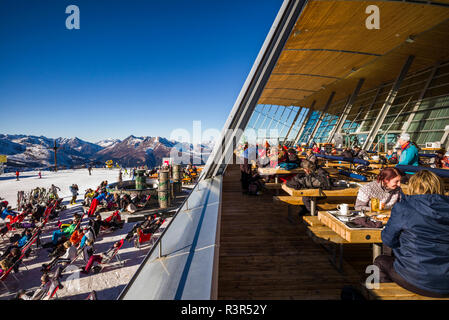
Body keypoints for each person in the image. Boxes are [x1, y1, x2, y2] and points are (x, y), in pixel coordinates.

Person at [373, 170, 449, 298]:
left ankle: (383, 295)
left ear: (412, 187)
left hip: (416, 278)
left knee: (380, 261)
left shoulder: (404, 208)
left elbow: (388, 240)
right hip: (446, 280)